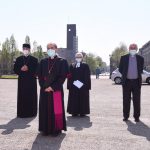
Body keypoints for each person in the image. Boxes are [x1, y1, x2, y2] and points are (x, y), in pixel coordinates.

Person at [38, 43, 69, 136]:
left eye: (52, 48)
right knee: (45, 109)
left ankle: (56, 129)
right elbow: (39, 76)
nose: (50, 50)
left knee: (57, 109)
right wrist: (44, 87)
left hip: (56, 90)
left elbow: (63, 77)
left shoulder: (62, 61)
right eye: (48, 48)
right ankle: (45, 129)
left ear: (56, 49)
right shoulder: (43, 61)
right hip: (45, 90)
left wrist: (52, 87)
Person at [119, 43, 144, 122]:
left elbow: (141, 69)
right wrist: (126, 74)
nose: (132, 49)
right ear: (129, 49)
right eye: (131, 48)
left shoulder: (140, 58)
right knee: (126, 100)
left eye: (134, 48)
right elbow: (120, 69)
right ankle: (126, 116)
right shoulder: (123, 58)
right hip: (127, 82)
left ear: (136, 49)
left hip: (136, 82)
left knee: (137, 100)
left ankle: (136, 117)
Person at [14, 43, 38, 118]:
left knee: (31, 97)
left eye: (27, 49)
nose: (25, 50)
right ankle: (21, 113)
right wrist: (20, 69)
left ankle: (32, 113)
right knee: (22, 96)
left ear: (29, 50)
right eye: (24, 49)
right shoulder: (18, 59)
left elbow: (37, 71)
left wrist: (29, 69)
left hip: (31, 82)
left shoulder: (34, 59)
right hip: (22, 81)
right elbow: (15, 69)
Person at [67, 52, 91, 117]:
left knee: (83, 99)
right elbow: (69, 76)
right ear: (75, 58)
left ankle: (83, 112)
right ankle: (74, 112)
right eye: (77, 57)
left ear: (82, 58)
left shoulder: (85, 65)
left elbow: (87, 76)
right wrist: (71, 84)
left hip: (83, 86)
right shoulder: (72, 65)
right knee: (74, 99)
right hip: (73, 86)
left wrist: (83, 84)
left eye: (80, 57)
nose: (78, 58)